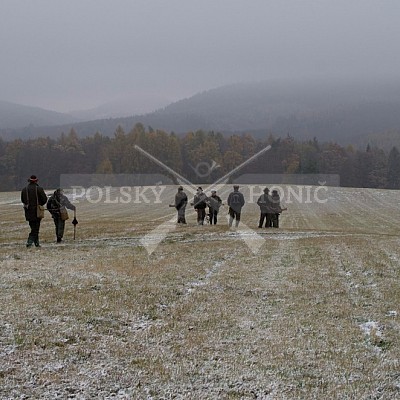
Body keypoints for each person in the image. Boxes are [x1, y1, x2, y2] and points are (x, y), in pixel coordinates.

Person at [20, 175, 48, 247]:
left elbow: (23, 200)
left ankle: (37, 243)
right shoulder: (39, 189)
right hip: (37, 212)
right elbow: (44, 199)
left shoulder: (24, 190)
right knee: (35, 229)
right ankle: (29, 242)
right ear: (36, 181)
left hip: (28, 212)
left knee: (33, 227)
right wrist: (40, 204)